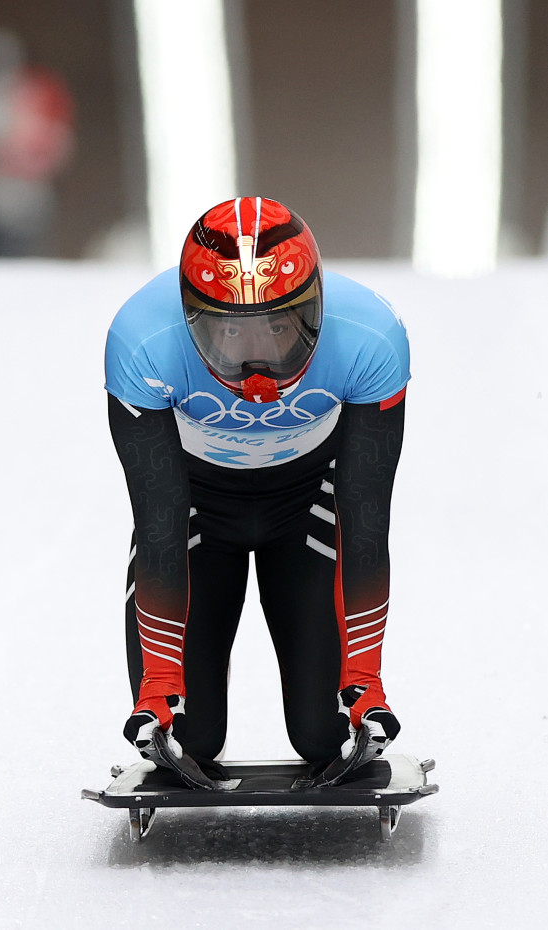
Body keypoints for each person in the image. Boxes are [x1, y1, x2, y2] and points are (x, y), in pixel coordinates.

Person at [104, 196, 409, 783]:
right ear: (191, 317)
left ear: (315, 309)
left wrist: (366, 684)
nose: (256, 365)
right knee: (192, 736)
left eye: (277, 328)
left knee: (323, 735)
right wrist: (159, 685)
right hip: (195, 510)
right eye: (227, 333)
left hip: (308, 508)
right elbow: (159, 521)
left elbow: (366, 518)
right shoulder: (141, 339)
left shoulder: (372, 336)